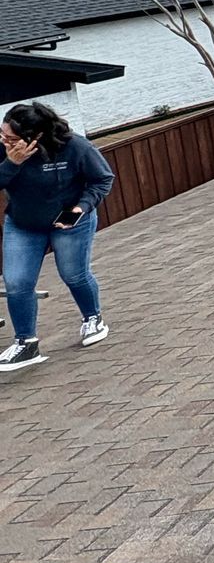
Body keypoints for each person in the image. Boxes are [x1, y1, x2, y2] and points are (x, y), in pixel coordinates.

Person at [0, 101, 115, 372]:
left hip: (69, 220)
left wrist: (81, 207)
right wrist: (11, 163)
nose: (5, 140)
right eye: (2, 134)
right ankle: (26, 343)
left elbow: (103, 179)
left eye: (12, 138)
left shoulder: (75, 147)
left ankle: (93, 318)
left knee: (73, 274)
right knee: (16, 281)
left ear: (35, 137)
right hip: (23, 223)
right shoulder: (4, 150)